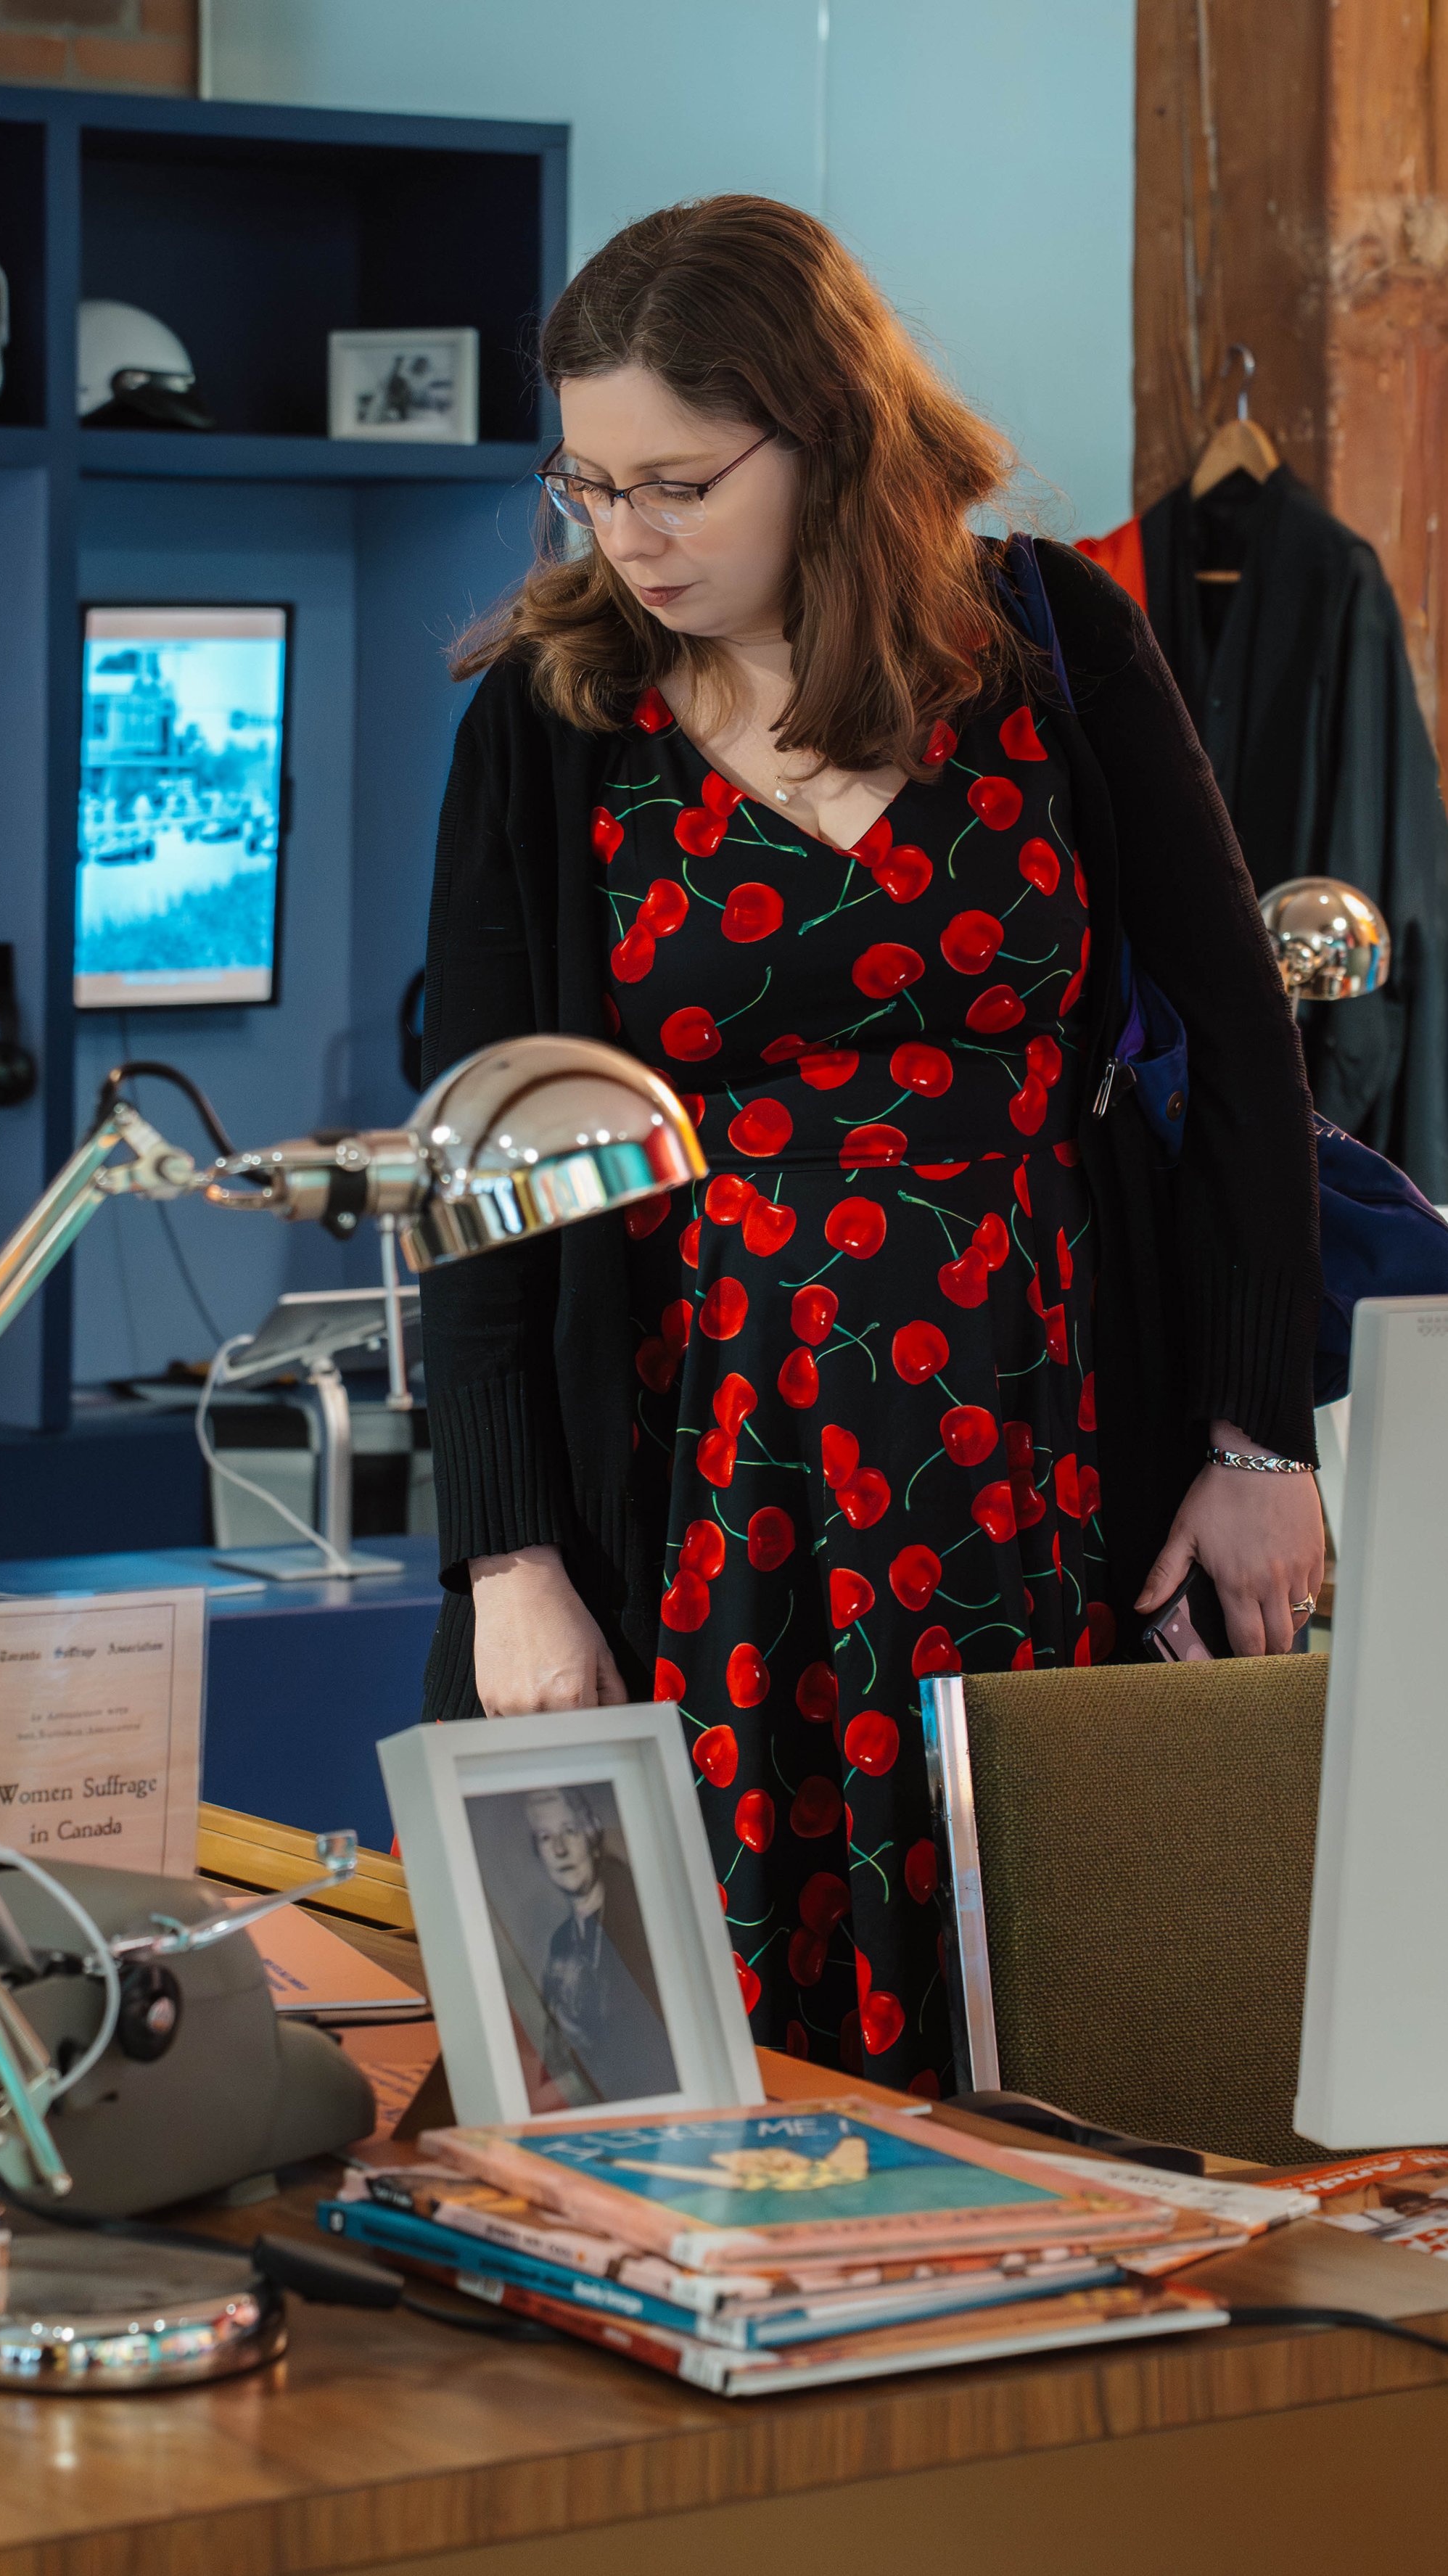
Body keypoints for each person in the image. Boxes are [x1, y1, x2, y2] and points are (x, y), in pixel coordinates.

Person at [418, 197, 1324, 2086]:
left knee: (1083, 2022)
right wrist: (504, 1549)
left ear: (824, 427)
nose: (632, 535)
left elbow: (1239, 1050)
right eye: (589, 485)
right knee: (667, 2063)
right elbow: (484, 1155)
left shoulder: (1046, 638)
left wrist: (1255, 1436)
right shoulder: (550, 712)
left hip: (1040, 1439)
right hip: (693, 1469)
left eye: (677, 479)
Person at [522, 1785, 677, 2102]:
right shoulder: (562, 1941)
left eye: (570, 1831)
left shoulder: (637, 1911)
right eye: (546, 1838)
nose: (560, 1850)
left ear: (592, 1840)